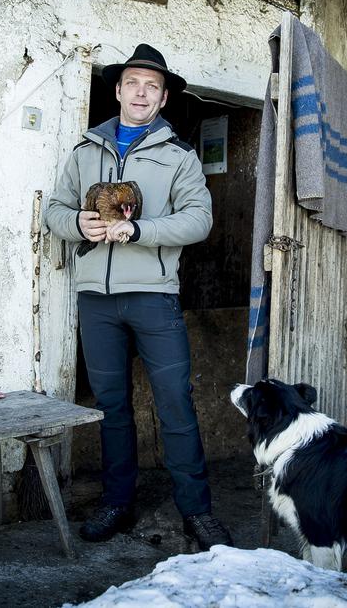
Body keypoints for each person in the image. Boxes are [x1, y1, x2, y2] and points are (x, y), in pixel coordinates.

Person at [45, 44, 232, 550]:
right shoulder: (85, 151)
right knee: (111, 408)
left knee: (175, 405)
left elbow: (199, 220)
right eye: (133, 83)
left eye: (152, 86)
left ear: (164, 97)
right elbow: (55, 210)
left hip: (154, 298)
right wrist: (75, 222)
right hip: (96, 301)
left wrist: (141, 230)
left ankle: (197, 511)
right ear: (119, 90)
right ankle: (116, 502)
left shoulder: (179, 157)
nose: (141, 92)